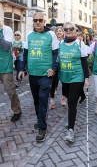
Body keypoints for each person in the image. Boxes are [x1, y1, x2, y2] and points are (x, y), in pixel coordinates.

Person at [18, 12, 59, 142]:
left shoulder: (51, 35)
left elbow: (57, 54)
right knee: (36, 100)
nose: (37, 22)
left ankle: (42, 127)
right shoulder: (29, 35)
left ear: (44, 21)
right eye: (35, 20)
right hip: (33, 74)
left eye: (40, 20)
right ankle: (40, 119)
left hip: (46, 75)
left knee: (42, 100)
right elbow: (24, 55)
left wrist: (53, 69)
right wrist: (21, 69)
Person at [58, 21, 90, 142]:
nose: (68, 31)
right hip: (64, 76)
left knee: (72, 102)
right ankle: (72, 118)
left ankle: (70, 129)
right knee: (68, 100)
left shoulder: (80, 44)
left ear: (75, 30)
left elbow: (84, 62)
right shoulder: (61, 43)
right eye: (66, 29)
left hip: (77, 76)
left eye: (71, 28)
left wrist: (86, 79)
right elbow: (57, 60)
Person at [0, 19, 22, 122]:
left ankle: (17, 111)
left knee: (10, 90)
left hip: (5, 66)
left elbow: (6, 47)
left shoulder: (6, 29)